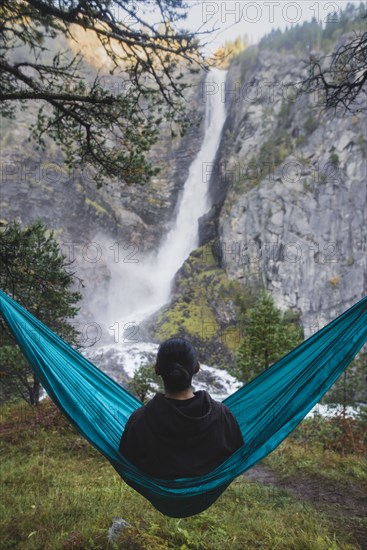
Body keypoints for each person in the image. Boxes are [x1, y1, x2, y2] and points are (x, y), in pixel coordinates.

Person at [119, 337, 244, 479]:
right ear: (196, 367)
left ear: (157, 369)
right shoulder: (222, 414)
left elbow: (127, 461)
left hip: (160, 489)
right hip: (206, 487)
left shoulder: (139, 420)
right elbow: (238, 454)